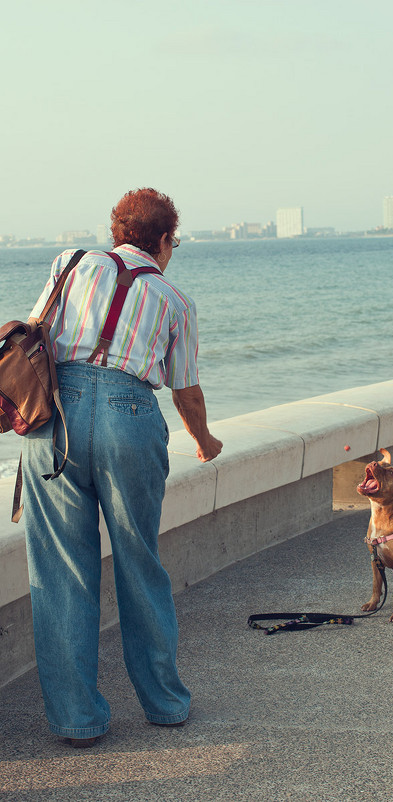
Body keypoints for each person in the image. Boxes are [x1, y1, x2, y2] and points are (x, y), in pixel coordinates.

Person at [22, 188, 222, 747]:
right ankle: (165, 704)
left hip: (54, 421)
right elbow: (186, 391)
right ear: (161, 240)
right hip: (130, 416)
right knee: (140, 562)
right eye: (173, 241)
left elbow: (34, 334)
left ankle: (76, 719)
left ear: (117, 232)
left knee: (62, 571)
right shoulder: (176, 302)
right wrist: (204, 441)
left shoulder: (70, 265)